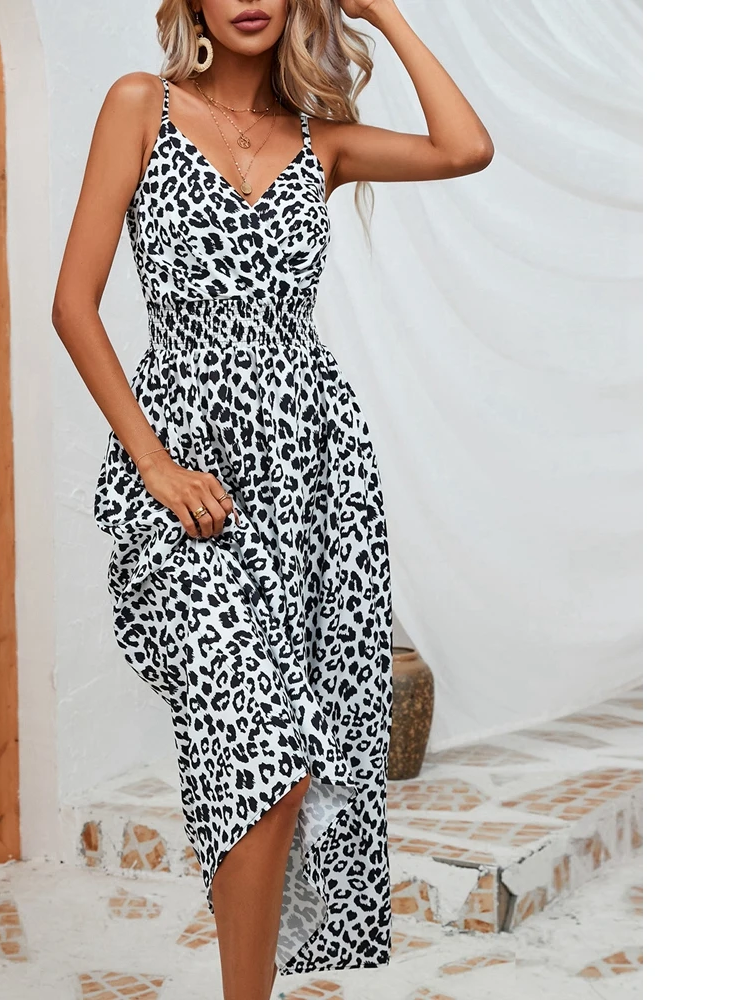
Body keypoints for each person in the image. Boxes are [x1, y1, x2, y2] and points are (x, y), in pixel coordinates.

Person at [52, 2, 492, 997]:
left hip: (313, 486)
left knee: (292, 771)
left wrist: (382, 12)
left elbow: (466, 148)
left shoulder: (322, 142)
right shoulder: (140, 106)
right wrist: (154, 464)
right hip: (186, 482)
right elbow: (72, 305)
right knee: (255, 749)